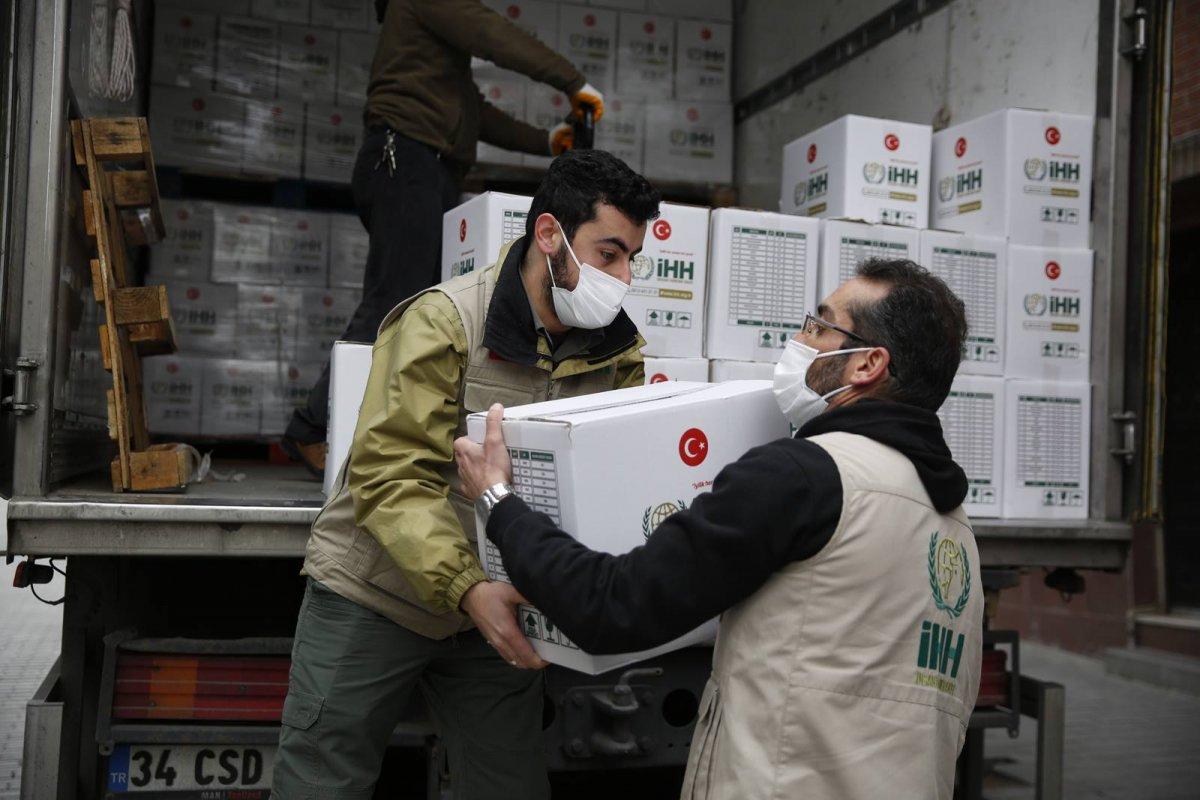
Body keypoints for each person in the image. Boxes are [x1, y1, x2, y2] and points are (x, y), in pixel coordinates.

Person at [455, 259, 985, 800]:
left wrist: (500, 503)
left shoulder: (804, 477)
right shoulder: (952, 525)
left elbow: (612, 607)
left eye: (819, 326)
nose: (800, 339)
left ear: (867, 364)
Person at [271, 150, 660, 799]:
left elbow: (607, 485)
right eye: (608, 254)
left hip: (499, 609)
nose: (622, 278)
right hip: (377, 591)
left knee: (510, 784)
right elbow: (390, 475)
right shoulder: (445, 321)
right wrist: (466, 587)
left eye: (631, 260)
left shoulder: (615, 353)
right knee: (322, 779)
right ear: (548, 235)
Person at [280, 0, 605, 475]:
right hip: (404, 160)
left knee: (421, 307)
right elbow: (490, 33)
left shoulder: (433, 53)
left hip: (426, 168)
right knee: (393, 298)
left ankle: (387, 434)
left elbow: (473, 112)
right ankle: (310, 428)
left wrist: (547, 141)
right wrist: (571, 80)